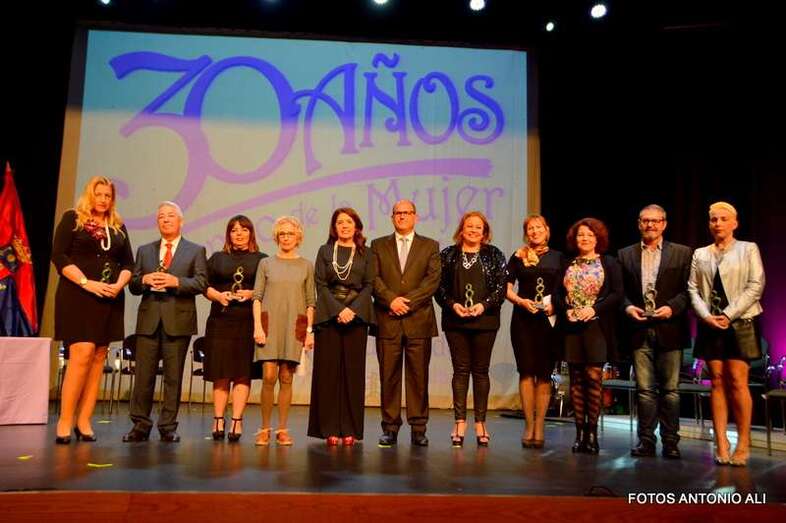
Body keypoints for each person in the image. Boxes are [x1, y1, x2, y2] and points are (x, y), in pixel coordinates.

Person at [51, 176, 134, 444]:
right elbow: (59, 256)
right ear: (90, 194)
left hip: (108, 298)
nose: (103, 200)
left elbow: (128, 263)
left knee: (99, 356)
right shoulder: (73, 218)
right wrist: (87, 283)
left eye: (107, 196)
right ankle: (65, 420)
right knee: (82, 352)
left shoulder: (118, 227)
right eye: (98, 194)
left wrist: (117, 286)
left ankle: (84, 420)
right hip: (78, 295)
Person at [123, 201, 208, 443]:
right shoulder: (145, 250)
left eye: (171, 216)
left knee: (173, 377)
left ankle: (168, 426)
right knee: (143, 376)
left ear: (181, 221)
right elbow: (134, 284)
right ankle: (140, 424)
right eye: (161, 217)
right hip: (148, 320)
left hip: (178, 321)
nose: (166, 220)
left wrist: (175, 282)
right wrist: (145, 279)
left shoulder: (195, 250)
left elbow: (201, 283)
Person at [688, 201, 765, 467]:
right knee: (717, 381)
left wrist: (729, 314)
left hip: (741, 321)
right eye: (713, 219)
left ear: (735, 223)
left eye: (723, 219)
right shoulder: (701, 253)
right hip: (710, 323)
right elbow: (692, 290)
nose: (717, 223)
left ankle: (743, 442)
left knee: (736, 380)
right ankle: (721, 441)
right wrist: (707, 316)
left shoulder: (748, 249)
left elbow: (756, 285)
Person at [618, 204, 692, 460]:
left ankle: (671, 442)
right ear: (639, 223)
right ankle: (646, 441)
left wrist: (672, 308)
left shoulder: (683, 253)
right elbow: (620, 293)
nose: (650, 225)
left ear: (664, 224)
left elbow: (689, 291)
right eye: (645, 221)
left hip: (670, 328)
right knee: (645, 390)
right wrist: (627, 308)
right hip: (639, 329)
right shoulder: (625, 254)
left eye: (655, 221)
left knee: (671, 391)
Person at [371, 199, 441, 447]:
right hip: (387, 319)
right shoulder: (378, 245)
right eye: (397, 213)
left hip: (418, 321)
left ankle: (418, 427)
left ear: (415, 216)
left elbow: (431, 282)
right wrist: (391, 300)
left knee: (418, 377)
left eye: (406, 213)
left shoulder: (430, 246)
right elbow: (374, 278)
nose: (402, 216)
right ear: (392, 217)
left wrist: (406, 302)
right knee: (388, 377)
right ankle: (389, 427)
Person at [436, 211, 507, 447]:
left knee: (480, 371)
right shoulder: (448, 254)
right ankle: (459, 423)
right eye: (469, 226)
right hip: (455, 320)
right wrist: (453, 304)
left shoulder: (495, 254)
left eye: (478, 227)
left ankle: (480, 423)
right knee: (460, 370)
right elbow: (439, 288)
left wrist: (483, 305)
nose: (473, 230)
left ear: (484, 231)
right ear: (462, 229)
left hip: (485, 320)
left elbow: (501, 288)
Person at [308, 208, 375, 446]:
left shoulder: (366, 253)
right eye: (339, 222)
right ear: (334, 227)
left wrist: (351, 310)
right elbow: (320, 284)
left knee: (352, 375)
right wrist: (338, 310)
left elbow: (369, 285)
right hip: (329, 316)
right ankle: (329, 429)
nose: (344, 226)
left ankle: (350, 429)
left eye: (348, 222)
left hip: (356, 318)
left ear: (357, 226)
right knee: (328, 375)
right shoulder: (325, 251)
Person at [556, 217, 623, 454]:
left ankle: (592, 434)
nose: (584, 238)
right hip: (572, 328)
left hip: (597, 327)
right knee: (575, 379)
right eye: (580, 235)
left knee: (594, 377)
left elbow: (617, 294)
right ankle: (578, 433)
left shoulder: (610, 263)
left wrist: (593, 309)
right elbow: (556, 295)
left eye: (589, 235)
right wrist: (567, 311)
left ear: (598, 239)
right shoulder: (567, 263)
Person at [203, 216, 267, 442]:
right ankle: (218, 419)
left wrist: (252, 294)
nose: (238, 234)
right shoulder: (218, 258)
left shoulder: (262, 260)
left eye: (243, 230)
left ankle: (237, 421)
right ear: (228, 234)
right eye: (234, 230)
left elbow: (267, 289)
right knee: (221, 373)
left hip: (247, 322)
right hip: (220, 320)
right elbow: (204, 285)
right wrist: (218, 296)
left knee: (242, 373)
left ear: (251, 233)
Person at [252, 216, 315, 446]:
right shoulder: (266, 264)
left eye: (290, 233)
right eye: (282, 234)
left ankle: (282, 430)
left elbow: (310, 301)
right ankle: (264, 429)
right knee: (268, 376)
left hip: (294, 326)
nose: (286, 237)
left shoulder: (306, 265)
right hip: (270, 325)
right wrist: (257, 326)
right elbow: (257, 297)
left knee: (286, 377)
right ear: (277, 237)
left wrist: (309, 332)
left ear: (298, 237)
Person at [505, 215, 564, 449]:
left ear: (547, 231)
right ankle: (528, 424)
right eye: (530, 229)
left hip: (549, 321)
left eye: (539, 227)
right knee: (527, 373)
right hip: (523, 321)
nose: (534, 232)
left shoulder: (559, 258)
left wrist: (555, 304)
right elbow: (506, 287)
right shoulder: (518, 256)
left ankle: (540, 425)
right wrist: (520, 301)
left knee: (544, 373)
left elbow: (565, 288)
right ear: (526, 233)